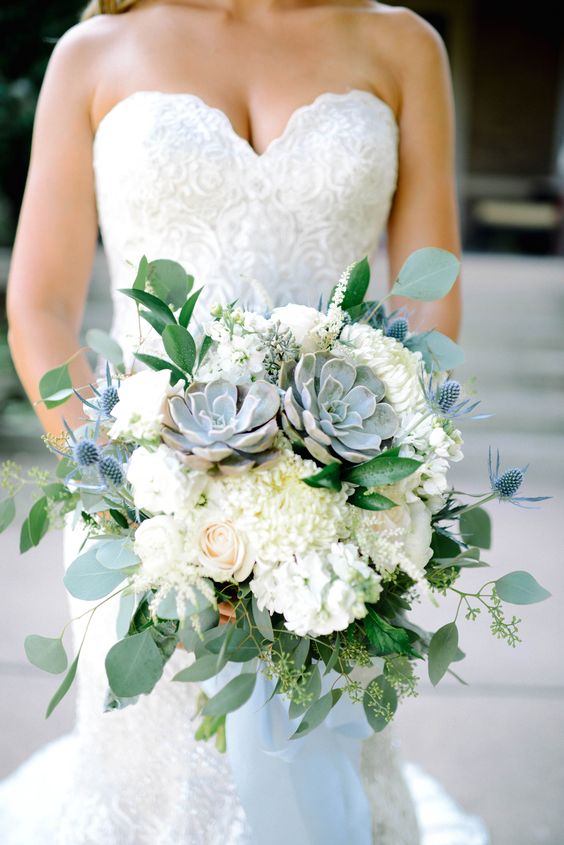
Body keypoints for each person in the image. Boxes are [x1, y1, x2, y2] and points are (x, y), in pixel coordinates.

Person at [1, 1, 489, 842]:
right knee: (155, 780)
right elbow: (40, 304)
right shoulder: (95, 52)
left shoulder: (402, 44)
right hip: (147, 513)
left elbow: (427, 298)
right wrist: (127, 494)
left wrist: (369, 477)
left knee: (318, 762)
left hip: (341, 505)